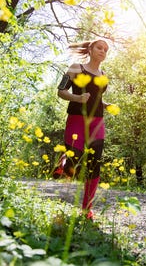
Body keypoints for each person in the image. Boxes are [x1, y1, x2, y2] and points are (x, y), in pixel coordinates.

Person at [56, 39, 109, 219]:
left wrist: (105, 104)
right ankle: (64, 161)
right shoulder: (75, 68)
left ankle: (87, 209)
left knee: (95, 163)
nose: (103, 51)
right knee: (74, 162)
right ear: (90, 49)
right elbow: (60, 91)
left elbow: (96, 97)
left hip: (97, 121)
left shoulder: (103, 75)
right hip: (77, 118)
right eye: (99, 47)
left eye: (105, 49)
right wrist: (78, 98)